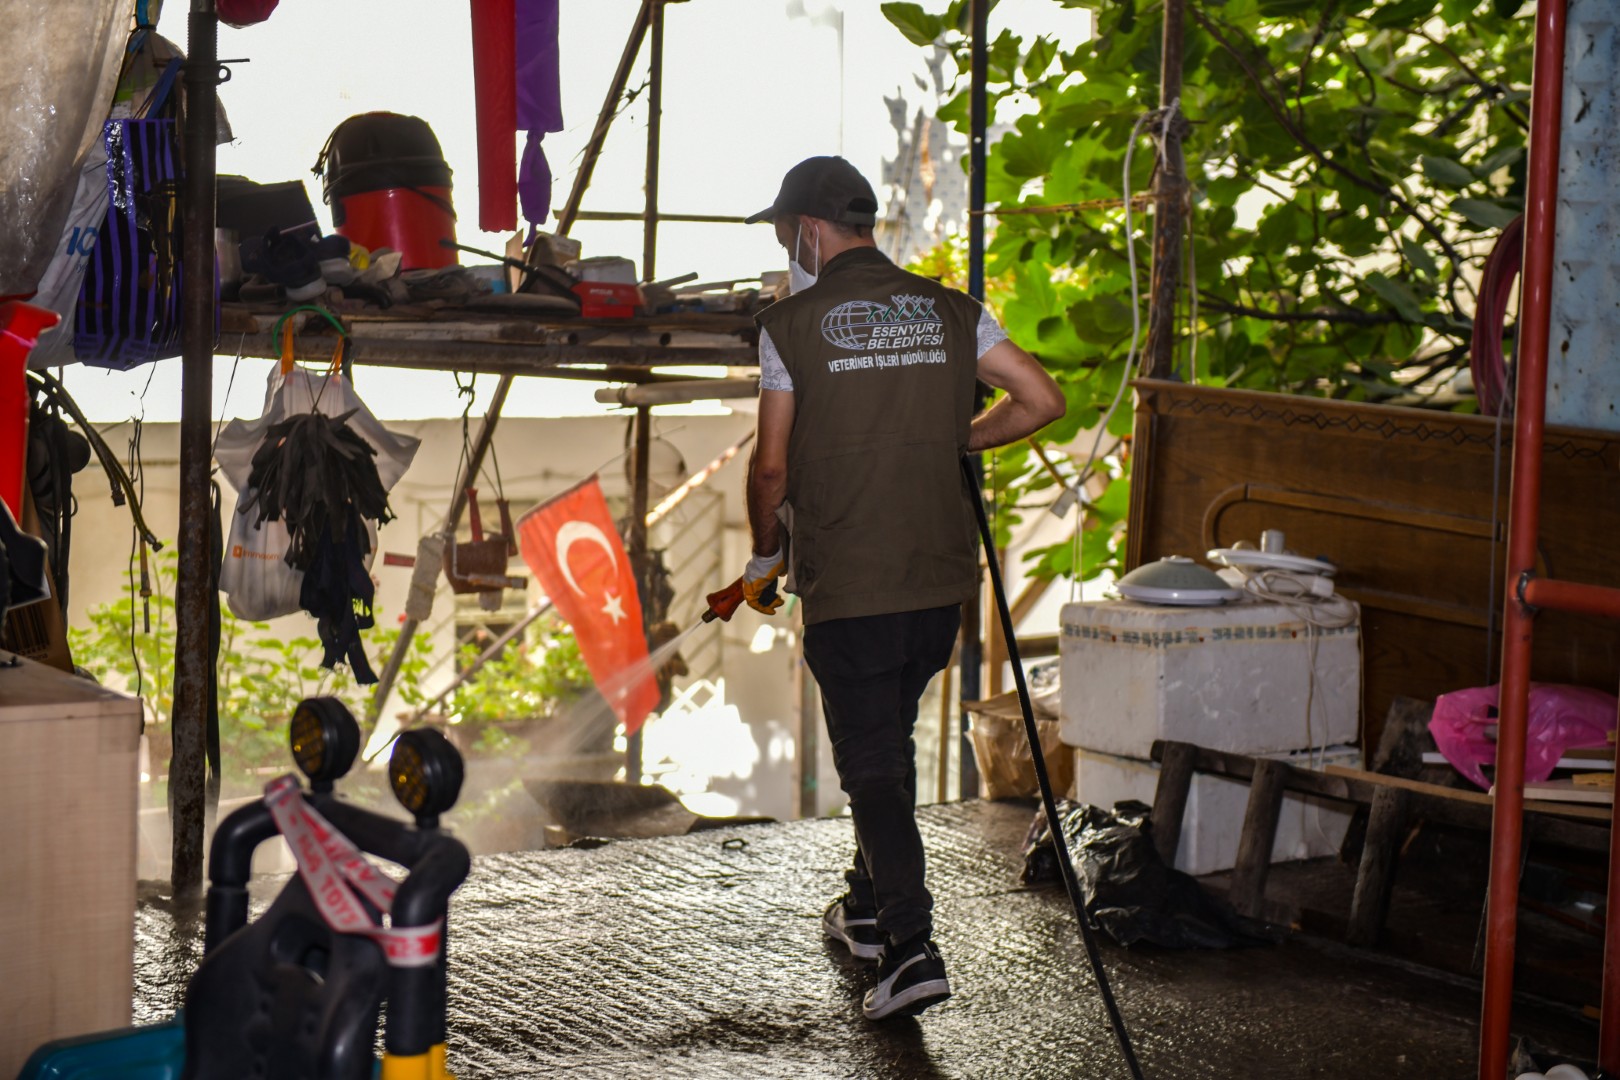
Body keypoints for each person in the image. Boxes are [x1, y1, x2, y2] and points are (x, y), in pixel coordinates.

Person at [738, 156, 1066, 1020]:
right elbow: (1039, 399)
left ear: (808, 230)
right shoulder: (955, 310)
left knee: (874, 767)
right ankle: (868, 906)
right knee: (883, 738)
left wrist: (763, 558)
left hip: (851, 584)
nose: (785, 249)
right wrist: (954, 440)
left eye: (783, 233)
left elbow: (770, 468)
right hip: (937, 591)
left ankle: (913, 949)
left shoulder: (790, 323)